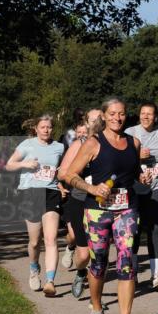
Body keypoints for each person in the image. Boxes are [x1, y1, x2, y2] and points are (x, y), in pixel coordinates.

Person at [64, 97, 147, 314]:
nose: (117, 118)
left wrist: (143, 178)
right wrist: (92, 188)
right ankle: (97, 313)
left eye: (121, 114)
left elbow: (134, 173)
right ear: (103, 115)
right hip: (97, 211)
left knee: (126, 262)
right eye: (112, 114)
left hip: (126, 209)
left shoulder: (133, 142)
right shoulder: (93, 142)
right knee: (99, 262)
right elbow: (68, 174)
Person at [5, 115, 65, 297]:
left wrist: (61, 182)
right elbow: (9, 165)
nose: (46, 130)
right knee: (34, 241)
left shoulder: (59, 147)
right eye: (43, 127)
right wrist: (25, 163)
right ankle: (33, 268)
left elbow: (61, 170)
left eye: (49, 127)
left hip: (51, 192)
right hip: (30, 192)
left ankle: (50, 281)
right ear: (36, 129)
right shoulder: (27, 145)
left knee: (51, 238)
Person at [58, 109, 102, 299]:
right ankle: (80, 272)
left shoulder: (110, 144)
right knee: (83, 255)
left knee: (99, 252)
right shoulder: (79, 144)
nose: (99, 122)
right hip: (79, 200)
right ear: (87, 122)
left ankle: (95, 299)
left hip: (101, 203)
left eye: (101, 118)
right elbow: (62, 174)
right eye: (94, 119)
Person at [126, 102, 158, 289]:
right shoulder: (130, 132)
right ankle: (133, 273)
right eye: (143, 113)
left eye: (150, 114)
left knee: (154, 228)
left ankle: (156, 275)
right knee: (134, 229)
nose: (146, 117)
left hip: (156, 185)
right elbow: (123, 160)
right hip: (135, 186)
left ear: (155, 117)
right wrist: (138, 157)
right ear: (138, 115)